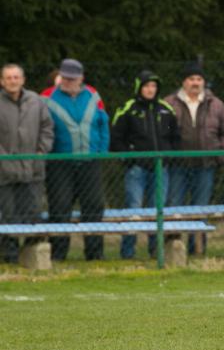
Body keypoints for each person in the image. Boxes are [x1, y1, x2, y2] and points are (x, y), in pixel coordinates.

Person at [43, 59, 110, 261]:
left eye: (72, 78)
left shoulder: (93, 95)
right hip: (59, 164)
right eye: (65, 78)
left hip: (90, 161)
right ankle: (58, 254)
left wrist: (101, 152)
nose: (68, 82)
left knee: (94, 206)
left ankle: (94, 254)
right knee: (60, 207)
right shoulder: (46, 97)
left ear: (81, 78)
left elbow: (103, 125)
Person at [164, 61, 224, 254]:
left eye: (199, 79)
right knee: (174, 205)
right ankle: (173, 247)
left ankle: (198, 249)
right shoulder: (169, 103)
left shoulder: (215, 103)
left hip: (205, 165)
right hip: (177, 165)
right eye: (191, 79)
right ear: (184, 82)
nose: (195, 82)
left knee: (201, 207)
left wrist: (221, 153)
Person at [111, 70, 180, 259]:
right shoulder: (128, 109)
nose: (150, 89)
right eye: (147, 86)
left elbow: (175, 135)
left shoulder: (166, 110)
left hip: (160, 168)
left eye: (154, 86)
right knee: (133, 209)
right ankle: (128, 252)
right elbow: (116, 137)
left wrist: (168, 157)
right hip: (137, 169)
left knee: (158, 209)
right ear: (139, 88)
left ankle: (156, 251)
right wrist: (129, 158)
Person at [0, 64, 54, 263]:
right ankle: (10, 257)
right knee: (7, 216)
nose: (12, 81)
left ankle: (32, 255)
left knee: (33, 214)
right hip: (4, 173)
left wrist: (41, 152)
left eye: (16, 77)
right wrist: (5, 161)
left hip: (33, 171)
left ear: (23, 80)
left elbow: (47, 128)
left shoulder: (36, 101)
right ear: (2, 81)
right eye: (8, 78)